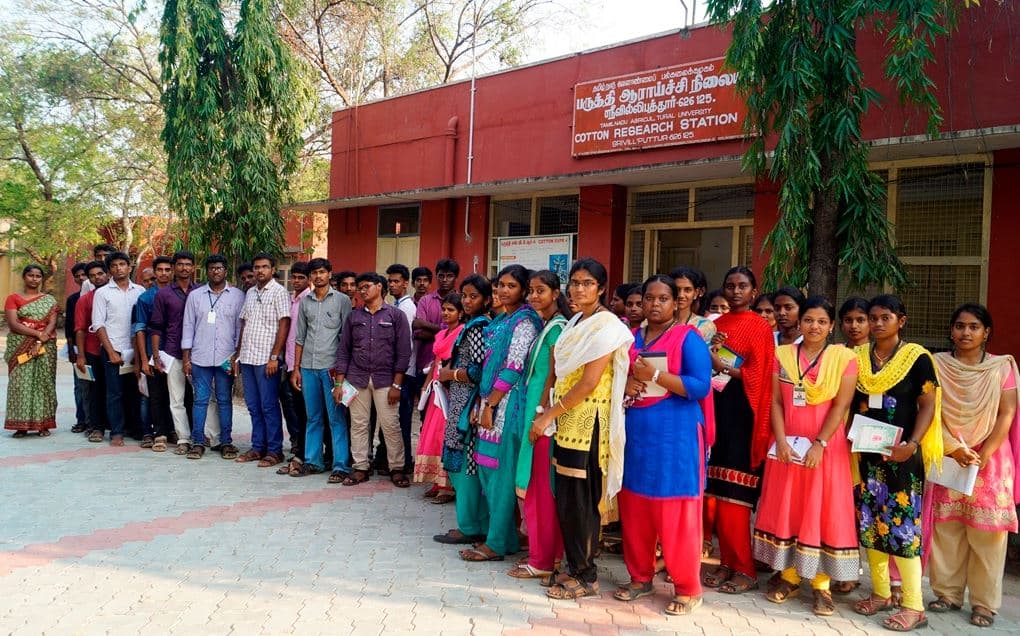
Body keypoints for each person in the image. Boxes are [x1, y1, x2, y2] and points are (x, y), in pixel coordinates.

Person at [532, 258, 633, 599]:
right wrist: (549, 411)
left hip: (588, 422)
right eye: (574, 282)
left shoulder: (607, 326)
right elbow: (559, 369)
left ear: (601, 288)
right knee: (567, 499)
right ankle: (575, 565)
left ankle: (586, 577)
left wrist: (548, 415)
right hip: (566, 420)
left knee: (581, 502)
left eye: (587, 283)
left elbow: (589, 382)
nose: (578, 289)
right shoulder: (576, 322)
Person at [753, 296, 860, 616]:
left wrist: (820, 444)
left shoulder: (844, 358)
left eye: (822, 322)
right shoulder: (783, 355)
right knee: (789, 506)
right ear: (800, 323)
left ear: (831, 326)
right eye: (809, 320)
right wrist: (781, 440)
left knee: (823, 509)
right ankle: (789, 577)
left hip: (826, 448)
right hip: (789, 447)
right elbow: (775, 402)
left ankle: (821, 585)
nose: (815, 326)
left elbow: (841, 405)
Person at [613, 275, 712, 616]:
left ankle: (687, 588)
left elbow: (700, 387)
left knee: (676, 512)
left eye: (663, 299)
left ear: (676, 302)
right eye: (649, 298)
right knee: (635, 507)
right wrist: (626, 382)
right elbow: (615, 377)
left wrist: (655, 376)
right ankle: (640, 577)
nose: (655, 304)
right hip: (636, 435)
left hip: (676, 437)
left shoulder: (688, 337)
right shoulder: (632, 338)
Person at [851, 295, 941, 632]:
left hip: (902, 456)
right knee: (871, 523)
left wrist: (912, 444)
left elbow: (928, 404)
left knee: (902, 529)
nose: (877, 323)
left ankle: (914, 606)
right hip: (867, 455)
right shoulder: (859, 357)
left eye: (885, 317)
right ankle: (881, 593)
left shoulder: (916, 358)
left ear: (901, 321)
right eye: (872, 317)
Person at [928, 304, 1018, 628]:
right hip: (950, 452)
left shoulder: (1000, 367)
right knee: (947, 528)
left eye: (974, 326)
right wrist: (954, 449)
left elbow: (1007, 413)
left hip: (991, 457)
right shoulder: (937, 364)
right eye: (960, 326)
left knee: (988, 534)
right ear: (951, 331)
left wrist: (985, 454)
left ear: (986, 332)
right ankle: (947, 594)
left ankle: (984, 603)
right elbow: (931, 410)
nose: (966, 332)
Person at [460, 264, 543, 562]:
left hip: (508, 408)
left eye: (511, 286)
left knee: (500, 475)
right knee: (488, 470)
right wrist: (482, 404)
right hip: (490, 402)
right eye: (500, 286)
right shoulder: (502, 320)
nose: (503, 291)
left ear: (523, 290)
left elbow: (513, 367)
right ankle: (505, 538)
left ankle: (495, 543)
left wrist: (491, 404)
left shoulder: (525, 322)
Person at [702, 266, 774, 594]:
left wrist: (725, 368)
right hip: (716, 409)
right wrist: (710, 353)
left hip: (743, 413)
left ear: (754, 292)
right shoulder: (715, 325)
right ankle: (726, 562)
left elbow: (762, 375)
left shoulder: (759, 326)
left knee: (735, 498)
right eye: (730, 285)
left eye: (742, 286)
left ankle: (744, 568)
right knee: (716, 494)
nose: (735, 291)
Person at [511, 270, 570, 579]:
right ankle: (547, 555)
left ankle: (543, 560)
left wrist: (542, 414)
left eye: (541, 291)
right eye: (531, 291)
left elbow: (553, 376)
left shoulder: (557, 328)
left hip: (544, 418)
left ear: (556, 293)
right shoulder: (547, 325)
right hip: (536, 413)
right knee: (538, 486)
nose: (534, 296)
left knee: (542, 489)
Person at [333, 272, 412, 487]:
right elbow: (344, 351)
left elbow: (404, 353)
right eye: (360, 287)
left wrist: (397, 385)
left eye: (366, 286)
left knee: (390, 425)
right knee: (358, 424)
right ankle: (360, 467)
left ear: (379, 287)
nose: (362, 290)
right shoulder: (354, 317)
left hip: (386, 380)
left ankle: (397, 468)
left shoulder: (396, 316)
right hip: (357, 378)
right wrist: (339, 383)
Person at [433, 275, 493, 546]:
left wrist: (451, 374)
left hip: (467, 403)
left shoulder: (479, 327)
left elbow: (479, 370)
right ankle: (470, 523)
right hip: (460, 401)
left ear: (486, 300)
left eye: (473, 296)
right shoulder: (471, 324)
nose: (467, 301)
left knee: (465, 464)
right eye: (465, 296)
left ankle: (471, 526)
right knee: (460, 462)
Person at [291, 258, 353, 481]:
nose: (318, 276)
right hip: (308, 367)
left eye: (322, 272)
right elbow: (300, 337)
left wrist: (342, 373)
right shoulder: (305, 302)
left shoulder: (342, 301)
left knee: (336, 418)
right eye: (314, 273)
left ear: (329, 274)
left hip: (331, 369)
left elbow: (347, 339)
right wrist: (296, 369)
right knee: (313, 417)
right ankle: (313, 461)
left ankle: (341, 465)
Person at [181, 254, 245, 460]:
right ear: (206, 272)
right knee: (200, 401)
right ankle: (198, 442)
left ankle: (226, 442)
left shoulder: (237, 296)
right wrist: (186, 358)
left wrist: (236, 356)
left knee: (224, 400)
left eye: (219, 268)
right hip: (200, 357)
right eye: (212, 268)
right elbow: (188, 327)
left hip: (226, 358)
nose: (216, 271)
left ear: (225, 271)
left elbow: (240, 328)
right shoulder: (195, 296)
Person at [232, 253, 291, 467]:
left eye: (264, 267)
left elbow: (284, 324)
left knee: (268, 406)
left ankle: (274, 451)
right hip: (248, 357)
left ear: (272, 270)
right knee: (253, 406)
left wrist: (275, 356)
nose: (260, 271)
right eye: (256, 267)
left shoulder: (279, 292)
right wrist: (238, 354)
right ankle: (258, 447)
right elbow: (244, 324)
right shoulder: (250, 293)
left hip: (267, 359)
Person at [413, 292, 465, 501]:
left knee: (445, 434)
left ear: (461, 313)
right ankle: (436, 480)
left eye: (451, 310)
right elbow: (436, 361)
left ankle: (449, 485)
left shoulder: (462, 332)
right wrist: (426, 386)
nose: (445, 313)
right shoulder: (442, 333)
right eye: (444, 309)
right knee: (433, 434)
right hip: (437, 390)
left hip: (451, 389)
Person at [91, 251, 145, 446]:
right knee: (114, 393)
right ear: (109, 270)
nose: (118, 268)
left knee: (136, 391)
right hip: (113, 349)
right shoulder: (102, 293)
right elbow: (98, 324)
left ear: (129, 267)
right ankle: (116, 432)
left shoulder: (140, 291)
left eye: (122, 264)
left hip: (136, 351)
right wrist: (111, 351)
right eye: (114, 266)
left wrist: (140, 353)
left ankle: (137, 429)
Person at [150, 251, 198, 455]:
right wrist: (156, 355)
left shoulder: (201, 292)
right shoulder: (164, 294)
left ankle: (202, 435)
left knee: (202, 399)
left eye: (188, 264)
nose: (184, 268)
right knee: (176, 399)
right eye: (180, 264)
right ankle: (183, 438)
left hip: (200, 354)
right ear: (174, 268)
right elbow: (156, 327)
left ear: (193, 267)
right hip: (172, 352)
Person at [4, 264, 59, 437]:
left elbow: (52, 322)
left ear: (41, 278)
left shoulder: (49, 300)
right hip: (20, 345)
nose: (34, 279)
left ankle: (43, 425)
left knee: (44, 383)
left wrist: (41, 339)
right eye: (31, 275)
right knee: (20, 385)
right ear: (24, 277)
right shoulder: (13, 298)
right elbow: (13, 324)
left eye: (38, 276)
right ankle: (21, 426)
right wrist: (37, 334)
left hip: (46, 346)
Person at [133, 256, 172, 449]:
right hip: (152, 352)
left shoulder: (181, 294)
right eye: (160, 270)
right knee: (155, 395)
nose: (164, 273)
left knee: (178, 395)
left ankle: (175, 431)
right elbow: (140, 330)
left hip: (175, 353)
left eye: (167, 269)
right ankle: (159, 433)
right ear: (155, 272)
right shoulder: (145, 298)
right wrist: (143, 359)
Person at [278, 262, 310, 472]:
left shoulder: (309, 300)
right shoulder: (290, 299)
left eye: (300, 277)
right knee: (290, 407)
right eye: (294, 277)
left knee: (303, 410)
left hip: (302, 364)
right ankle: (297, 444)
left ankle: (305, 452)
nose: (296, 281)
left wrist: (298, 365)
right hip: (287, 362)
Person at [387, 263, 419, 472]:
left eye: (396, 281)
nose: (392, 285)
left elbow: (404, 343)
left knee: (403, 420)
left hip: (405, 371)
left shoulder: (406, 308)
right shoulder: (397, 305)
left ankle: (405, 461)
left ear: (405, 283)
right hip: (401, 371)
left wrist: (398, 374)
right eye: (390, 281)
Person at [75, 261, 110, 440]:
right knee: (95, 390)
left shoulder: (118, 295)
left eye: (100, 274)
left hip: (117, 349)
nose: (97, 278)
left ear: (107, 274)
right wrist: (81, 355)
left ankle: (121, 425)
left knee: (117, 390)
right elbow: (80, 329)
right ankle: (96, 427)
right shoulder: (85, 299)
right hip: (93, 350)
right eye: (92, 276)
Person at [414, 259, 459, 389]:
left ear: (455, 278)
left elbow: (459, 335)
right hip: (425, 363)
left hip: (451, 366)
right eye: (441, 276)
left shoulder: (461, 301)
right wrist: (448, 332)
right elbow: (419, 333)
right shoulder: (425, 301)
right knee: (424, 399)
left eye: (449, 276)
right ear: (436, 277)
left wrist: (424, 324)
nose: (444, 280)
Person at [66, 262, 91, 434]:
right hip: (78, 348)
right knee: (80, 386)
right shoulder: (73, 299)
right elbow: (70, 327)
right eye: (78, 276)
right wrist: (70, 350)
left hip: (96, 347)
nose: (81, 278)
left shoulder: (99, 295)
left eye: (84, 275)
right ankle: (81, 420)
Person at [671, 266, 717, 344]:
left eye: (687, 290)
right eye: (677, 290)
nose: (681, 295)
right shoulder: (657, 322)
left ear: (696, 293)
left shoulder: (705, 326)